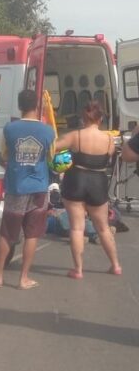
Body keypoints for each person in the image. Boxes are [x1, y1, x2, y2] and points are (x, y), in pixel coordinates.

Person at [0, 89, 55, 290]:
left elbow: (5, 154)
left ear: (20, 106)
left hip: (16, 187)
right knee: (32, 234)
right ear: (37, 106)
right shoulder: (49, 131)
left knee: (7, 233)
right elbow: (50, 157)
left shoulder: (9, 129)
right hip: (39, 187)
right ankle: (24, 278)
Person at [54, 101, 122, 278]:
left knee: (77, 228)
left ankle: (78, 270)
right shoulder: (108, 139)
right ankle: (115, 265)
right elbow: (109, 156)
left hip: (75, 180)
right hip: (98, 183)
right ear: (100, 119)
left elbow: (53, 147)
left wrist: (62, 159)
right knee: (103, 228)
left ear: (83, 118)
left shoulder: (75, 136)